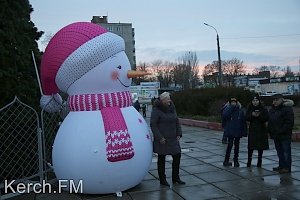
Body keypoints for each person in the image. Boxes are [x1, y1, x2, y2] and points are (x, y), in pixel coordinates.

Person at [150, 92, 185, 186]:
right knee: (161, 158)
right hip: (162, 139)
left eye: (170, 99)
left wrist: (179, 133)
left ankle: (176, 178)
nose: (170, 101)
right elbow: (153, 124)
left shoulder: (172, 108)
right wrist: (160, 137)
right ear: (162, 100)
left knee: (177, 156)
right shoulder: (156, 110)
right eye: (168, 99)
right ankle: (162, 179)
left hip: (173, 138)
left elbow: (177, 121)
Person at [268, 94, 294, 174]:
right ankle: (281, 166)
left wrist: (281, 130)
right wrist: (270, 130)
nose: (275, 102)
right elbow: (270, 121)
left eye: (276, 100)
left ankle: (287, 167)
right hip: (276, 135)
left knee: (286, 152)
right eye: (274, 100)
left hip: (284, 135)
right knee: (279, 152)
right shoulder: (272, 109)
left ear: (281, 100)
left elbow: (289, 122)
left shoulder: (287, 109)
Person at [222, 97, 247, 167]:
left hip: (237, 131)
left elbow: (243, 121)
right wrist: (230, 108)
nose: (233, 103)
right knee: (229, 146)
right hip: (230, 131)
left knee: (237, 146)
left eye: (234, 102)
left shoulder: (240, 110)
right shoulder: (227, 109)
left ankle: (236, 160)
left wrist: (244, 131)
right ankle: (226, 161)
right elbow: (224, 115)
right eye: (232, 102)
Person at [245, 94, 269, 168]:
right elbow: (246, 117)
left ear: (259, 101)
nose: (255, 102)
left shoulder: (263, 108)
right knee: (251, 146)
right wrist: (252, 115)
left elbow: (266, 118)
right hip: (253, 129)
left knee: (260, 147)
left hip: (261, 129)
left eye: (256, 100)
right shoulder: (250, 108)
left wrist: (259, 115)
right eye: (253, 101)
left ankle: (259, 161)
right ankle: (249, 161)